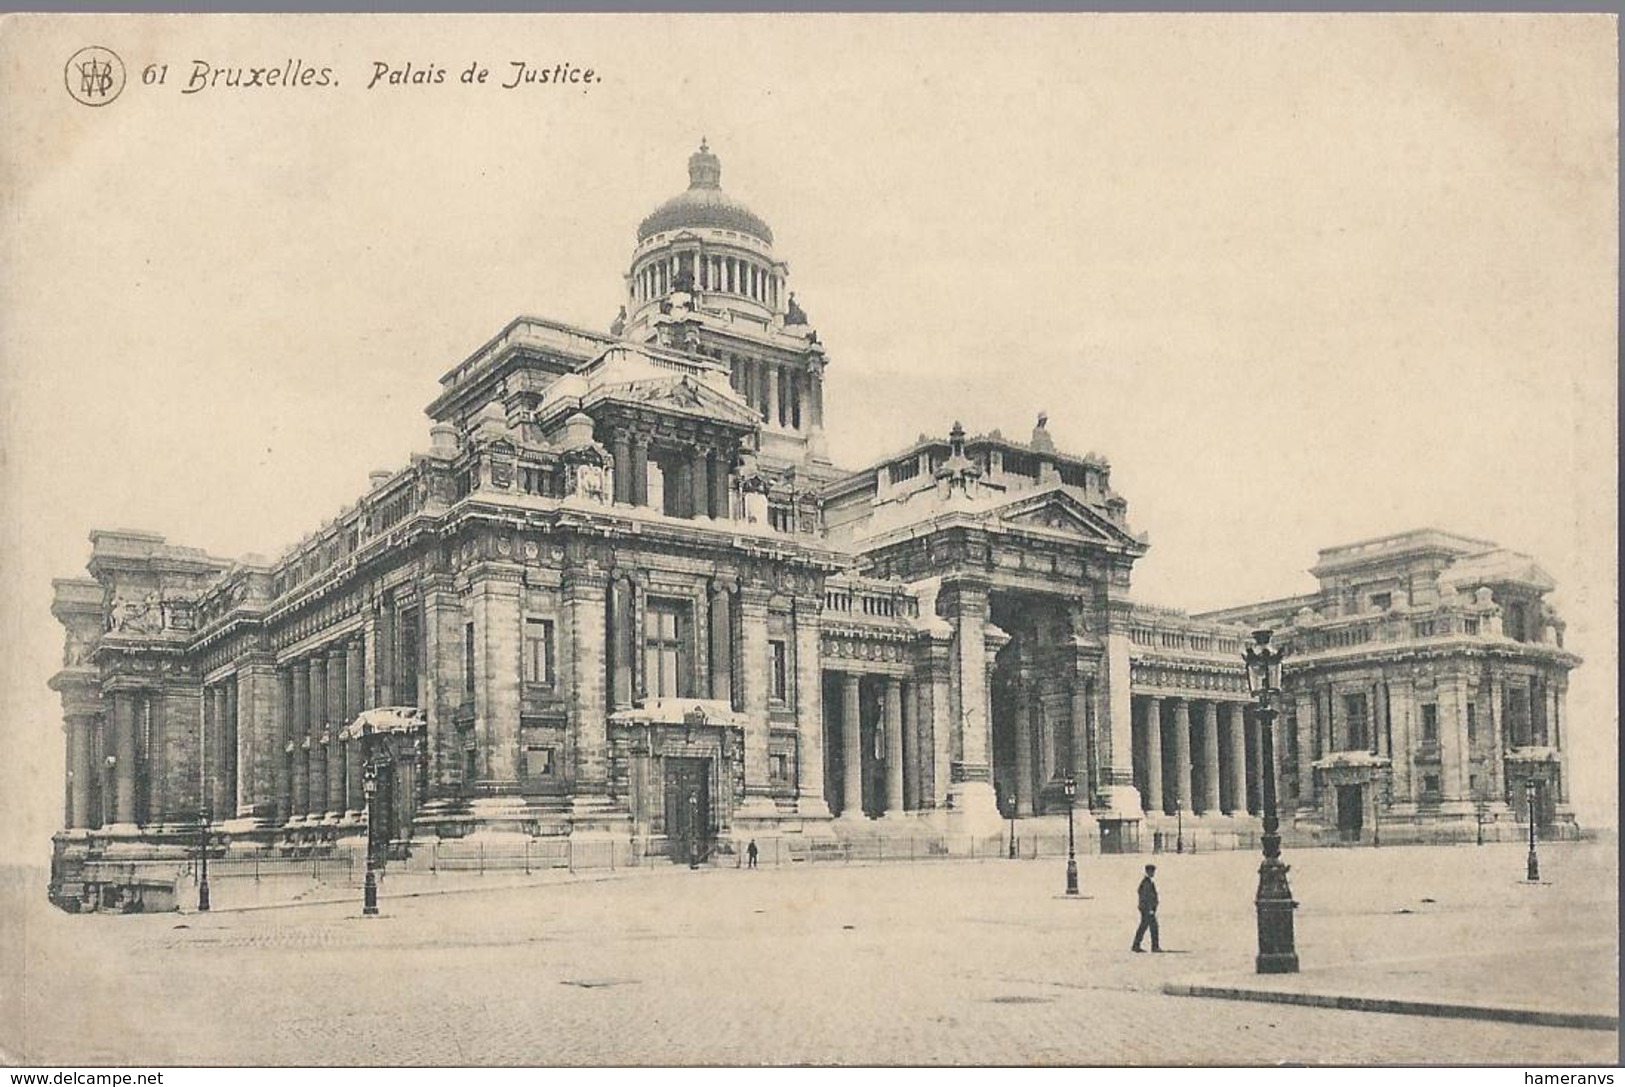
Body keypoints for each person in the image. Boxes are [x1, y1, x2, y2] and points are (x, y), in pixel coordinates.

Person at [1132, 863, 1162, 952]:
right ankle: (1154, 947)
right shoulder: (1146, 882)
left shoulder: (1147, 881)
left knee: (1144, 927)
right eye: (1152, 871)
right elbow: (1146, 897)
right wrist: (1150, 909)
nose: (1153, 873)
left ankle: (1136, 945)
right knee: (1152, 927)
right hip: (1147, 909)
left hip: (1146, 908)